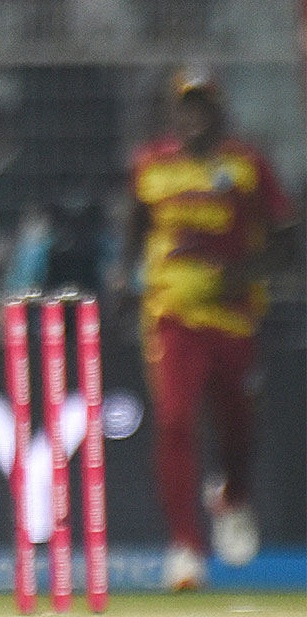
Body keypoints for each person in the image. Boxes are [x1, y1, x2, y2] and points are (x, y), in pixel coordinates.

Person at [121, 69, 294, 591]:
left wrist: (241, 275)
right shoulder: (151, 165)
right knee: (174, 421)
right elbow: (134, 232)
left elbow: (287, 241)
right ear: (174, 114)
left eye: (202, 107)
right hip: (172, 316)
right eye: (185, 108)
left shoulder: (246, 165)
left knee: (237, 425)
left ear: (220, 113)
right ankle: (185, 548)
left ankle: (233, 497)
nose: (193, 118)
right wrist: (123, 284)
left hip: (235, 316)